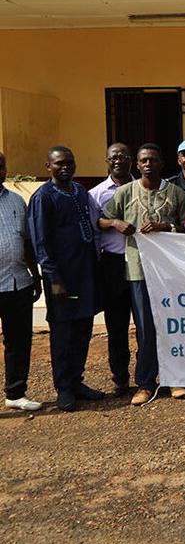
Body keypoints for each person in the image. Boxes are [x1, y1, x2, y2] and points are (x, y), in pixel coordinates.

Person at [101, 143, 185, 406]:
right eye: (143, 160)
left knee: (173, 325)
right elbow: (102, 220)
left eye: (153, 160)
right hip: (137, 270)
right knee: (145, 327)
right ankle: (146, 382)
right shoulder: (125, 192)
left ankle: (175, 378)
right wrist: (116, 222)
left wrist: (167, 226)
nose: (148, 164)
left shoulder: (177, 194)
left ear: (162, 164)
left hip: (170, 272)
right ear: (137, 165)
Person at [28, 146, 104, 412]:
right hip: (62, 280)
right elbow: (40, 241)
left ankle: (76, 381)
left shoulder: (80, 191)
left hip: (84, 276)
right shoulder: (43, 197)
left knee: (83, 328)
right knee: (63, 332)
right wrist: (53, 278)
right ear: (48, 166)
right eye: (59, 163)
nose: (65, 167)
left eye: (69, 162)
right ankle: (63, 388)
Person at [89, 143, 135, 397]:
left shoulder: (142, 187)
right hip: (113, 263)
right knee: (116, 326)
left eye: (123, 156)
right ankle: (120, 379)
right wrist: (113, 222)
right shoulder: (96, 193)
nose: (118, 161)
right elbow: (93, 223)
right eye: (113, 157)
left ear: (131, 160)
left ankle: (147, 376)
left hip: (141, 262)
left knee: (146, 323)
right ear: (107, 161)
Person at [0, 151, 44, 412]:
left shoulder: (17, 201)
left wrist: (35, 276)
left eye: (0, 166)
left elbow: (27, 242)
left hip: (17, 282)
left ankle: (16, 393)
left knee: (18, 342)